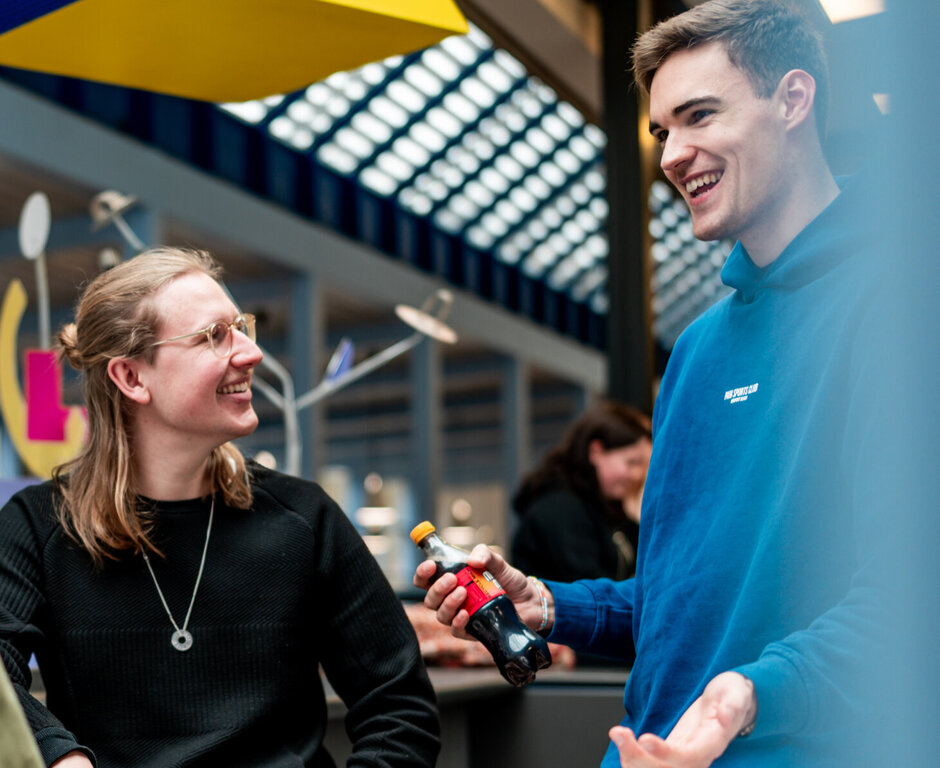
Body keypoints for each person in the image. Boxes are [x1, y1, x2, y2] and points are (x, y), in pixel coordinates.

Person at [416, 1, 898, 765]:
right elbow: (678, 597)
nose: (673, 153)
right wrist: (549, 604)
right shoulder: (700, 349)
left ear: (793, 100)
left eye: (699, 115)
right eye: (661, 131)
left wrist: (746, 696)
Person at [0, 247, 440, 767]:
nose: (250, 352)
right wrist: (59, 757)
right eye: (214, 336)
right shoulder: (38, 526)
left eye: (241, 326)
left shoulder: (305, 518)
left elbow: (399, 706)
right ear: (131, 378)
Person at [510, 401, 651, 582]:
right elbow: (587, 585)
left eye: (644, 466)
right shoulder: (560, 510)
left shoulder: (610, 512)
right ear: (596, 452)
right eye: (631, 462)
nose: (638, 475)